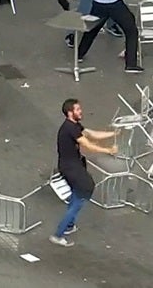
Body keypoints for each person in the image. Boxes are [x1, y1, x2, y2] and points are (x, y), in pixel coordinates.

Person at [50, 99, 117, 247]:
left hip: (72, 166)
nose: (81, 112)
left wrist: (113, 133)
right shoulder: (70, 128)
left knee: (77, 194)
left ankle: (69, 225)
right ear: (70, 112)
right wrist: (108, 150)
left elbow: (91, 134)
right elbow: (87, 145)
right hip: (71, 167)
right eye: (78, 109)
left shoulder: (74, 126)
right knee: (85, 191)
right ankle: (58, 234)